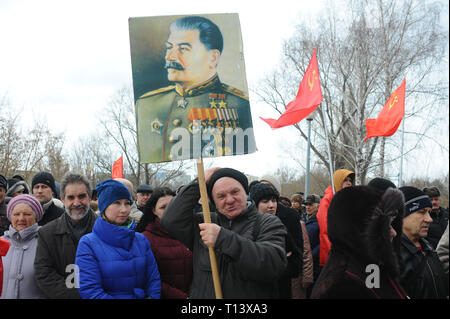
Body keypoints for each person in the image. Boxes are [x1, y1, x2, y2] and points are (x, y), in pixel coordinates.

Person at [135, 15, 255, 163]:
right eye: (169, 48)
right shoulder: (147, 104)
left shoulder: (238, 104)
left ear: (213, 58)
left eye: (183, 49)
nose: (170, 57)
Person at [161, 167, 287, 298]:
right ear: (213, 201)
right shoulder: (205, 222)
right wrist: (199, 183)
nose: (230, 200)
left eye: (235, 192)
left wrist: (223, 238)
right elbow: (170, 219)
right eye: (221, 196)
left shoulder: (267, 222)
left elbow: (273, 265)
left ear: (246, 193)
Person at [311, 186, 408, 299]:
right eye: (386, 226)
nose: (394, 233)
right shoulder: (343, 287)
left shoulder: (368, 266)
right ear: (361, 229)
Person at [75, 179, 161, 299]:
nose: (124, 209)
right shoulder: (88, 244)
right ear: (104, 207)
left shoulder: (141, 240)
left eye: (127, 203)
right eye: (116, 203)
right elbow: (90, 290)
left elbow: (153, 279)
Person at [34, 172, 97, 299]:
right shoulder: (47, 233)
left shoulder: (105, 229)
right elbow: (44, 273)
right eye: (71, 197)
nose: (77, 202)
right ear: (62, 198)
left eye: (81, 196)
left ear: (89, 197)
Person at [137, 187, 193, 299]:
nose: (169, 211)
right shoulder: (144, 239)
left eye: (173, 206)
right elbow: (147, 278)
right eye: (163, 207)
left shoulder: (192, 232)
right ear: (154, 210)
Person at [249, 182, 302, 298]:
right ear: (254, 204)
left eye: (273, 200)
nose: (271, 205)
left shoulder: (282, 229)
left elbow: (296, 265)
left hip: (280, 290)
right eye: (265, 201)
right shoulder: (246, 228)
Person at [398, 186, 448, 299]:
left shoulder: (428, 247)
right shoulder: (391, 256)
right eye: (422, 212)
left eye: (429, 212)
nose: (429, 219)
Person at [1, 194, 46, 298]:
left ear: (36, 217)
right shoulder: (1, 241)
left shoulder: (46, 242)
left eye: (27, 214)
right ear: (10, 216)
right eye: (16, 214)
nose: (21, 218)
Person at [316, 169, 354, 268]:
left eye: (350, 180)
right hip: (333, 258)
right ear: (338, 181)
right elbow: (326, 231)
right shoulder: (327, 200)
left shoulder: (348, 200)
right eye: (345, 180)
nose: (349, 183)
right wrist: (335, 256)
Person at [303, 194, 321, 287]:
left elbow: (322, 243)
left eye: (310, 204)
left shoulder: (321, 221)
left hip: (315, 265)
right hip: (306, 263)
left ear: (318, 205)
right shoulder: (304, 218)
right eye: (306, 205)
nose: (307, 207)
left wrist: (310, 256)